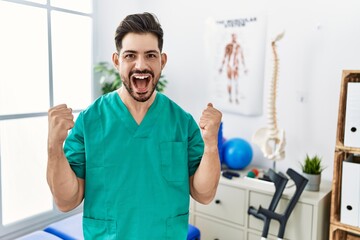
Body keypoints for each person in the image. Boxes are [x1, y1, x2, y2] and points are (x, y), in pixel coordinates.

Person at [47, 12, 222, 239]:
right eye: (130, 55)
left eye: (150, 55)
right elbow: (66, 200)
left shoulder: (181, 122)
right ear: (117, 61)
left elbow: (204, 194)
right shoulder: (91, 120)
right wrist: (54, 146)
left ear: (162, 61)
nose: (141, 65)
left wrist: (210, 145)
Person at [219, 33, 247, 104]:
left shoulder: (238, 46)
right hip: (229, 65)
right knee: (229, 82)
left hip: (236, 66)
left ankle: (236, 97)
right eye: (233, 37)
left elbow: (242, 57)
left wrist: (244, 68)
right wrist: (221, 67)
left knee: (236, 82)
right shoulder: (228, 46)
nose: (234, 38)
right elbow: (224, 56)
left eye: (235, 37)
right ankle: (230, 97)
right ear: (231, 37)